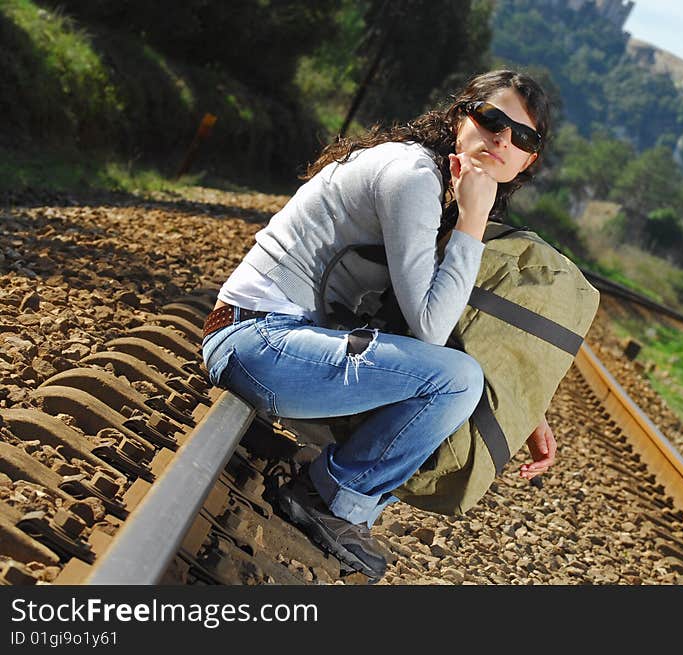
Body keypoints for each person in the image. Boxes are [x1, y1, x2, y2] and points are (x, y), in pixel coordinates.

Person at [200, 70, 556, 582]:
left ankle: (330, 486)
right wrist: (472, 224)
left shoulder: (436, 182)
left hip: (274, 341)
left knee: (454, 375)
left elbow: (442, 319)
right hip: (255, 341)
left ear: (529, 159)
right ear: (462, 116)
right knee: (455, 380)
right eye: (492, 119)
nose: (502, 138)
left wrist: (526, 400)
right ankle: (330, 499)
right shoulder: (413, 178)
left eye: (522, 136)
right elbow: (433, 328)